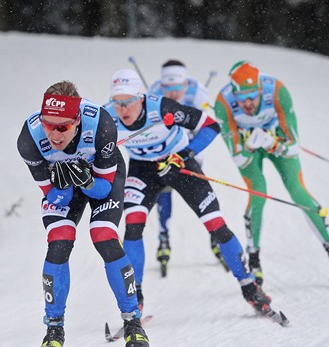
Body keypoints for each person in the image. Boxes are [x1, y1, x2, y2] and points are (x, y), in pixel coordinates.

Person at [104, 68, 276, 316]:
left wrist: (185, 154)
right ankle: (135, 299)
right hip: (143, 170)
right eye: (117, 103)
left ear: (140, 98)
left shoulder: (163, 108)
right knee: (132, 225)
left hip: (179, 164)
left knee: (215, 223)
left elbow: (210, 126)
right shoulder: (106, 116)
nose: (123, 110)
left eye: (128, 102)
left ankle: (250, 287)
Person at [17, 81, 150, 347]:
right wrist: (65, 187)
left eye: (62, 127)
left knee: (104, 236)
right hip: (64, 187)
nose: (54, 134)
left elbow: (103, 190)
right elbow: (53, 197)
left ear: (77, 121)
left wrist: (86, 180)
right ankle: (54, 332)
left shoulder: (101, 126)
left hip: (101, 181)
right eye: (48, 124)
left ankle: (133, 325)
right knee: (59, 241)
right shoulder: (29, 139)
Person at [212, 61, 329, 286]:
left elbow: (293, 145)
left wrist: (275, 144)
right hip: (245, 141)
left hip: (275, 135)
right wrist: (250, 145)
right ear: (234, 94)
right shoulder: (223, 104)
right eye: (242, 99)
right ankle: (255, 262)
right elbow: (238, 156)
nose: (248, 103)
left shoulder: (278, 91)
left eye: (253, 96)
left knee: (298, 192)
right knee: (258, 194)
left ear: (261, 90)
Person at [147, 60, 228, 275]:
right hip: (165, 149)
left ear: (185, 84)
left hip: (190, 149)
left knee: (200, 194)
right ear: (161, 87)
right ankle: (163, 238)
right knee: (163, 188)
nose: (173, 93)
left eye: (177, 88)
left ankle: (215, 237)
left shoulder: (198, 93)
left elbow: (206, 128)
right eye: (168, 88)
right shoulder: (153, 93)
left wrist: (187, 150)